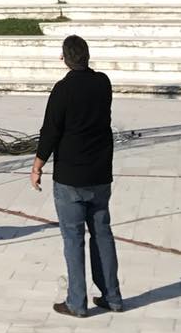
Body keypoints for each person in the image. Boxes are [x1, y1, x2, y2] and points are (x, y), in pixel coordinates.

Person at [30, 34, 124, 318]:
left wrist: (37, 166)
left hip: (70, 176)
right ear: (87, 56)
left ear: (64, 59)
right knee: (102, 234)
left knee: (73, 239)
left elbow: (50, 131)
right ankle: (112, 296)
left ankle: (77, 302)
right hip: (100, 173)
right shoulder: (103, 83)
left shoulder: (63, 89)